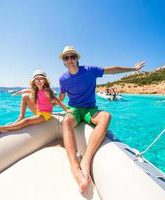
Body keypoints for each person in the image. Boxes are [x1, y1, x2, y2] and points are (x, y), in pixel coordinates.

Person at [58, 45, 145, 192]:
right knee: (66, 120)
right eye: (67, 57)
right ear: (64, 62)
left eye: (73, 56)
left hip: (90, 110)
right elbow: (61, 96)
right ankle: (74, 167)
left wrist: (133, 69)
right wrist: (54, 101)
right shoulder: (63, 79)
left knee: (106, 116)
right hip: (74, 110)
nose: (70, 59)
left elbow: (112, 70)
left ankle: (85, 160)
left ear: (77, 58)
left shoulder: (90, 71)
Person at [0, 70, 71, 133]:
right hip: (38, 111)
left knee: (27, 121)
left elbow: (57, 101)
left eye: (41, 79)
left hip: (46, 115)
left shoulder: (47, 91)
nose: (38, 81)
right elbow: (25, 91)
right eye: (36, 79)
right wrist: (17, 92)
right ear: (34, 81)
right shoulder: (35, 90)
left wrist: (66, 110)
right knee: (25, 97)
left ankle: (2, 128)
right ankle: (21, 116)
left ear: (45, 81)